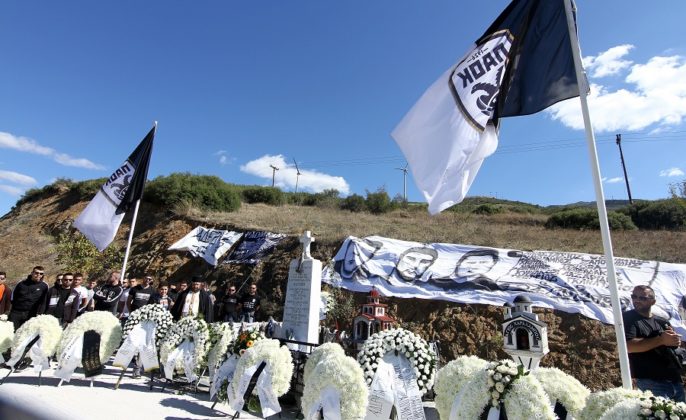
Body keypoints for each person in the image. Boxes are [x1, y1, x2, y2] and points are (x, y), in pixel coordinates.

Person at [624, 285, 685, 402]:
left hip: (674, 379)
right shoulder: (628, 318)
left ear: (653, 301)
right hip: (650, 380)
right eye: (634, 296)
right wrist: (661, 340)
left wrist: (674, 341)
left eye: (642, 298)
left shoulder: (662, 321)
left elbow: (671, 344)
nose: (637, 300)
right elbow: (629, 346)